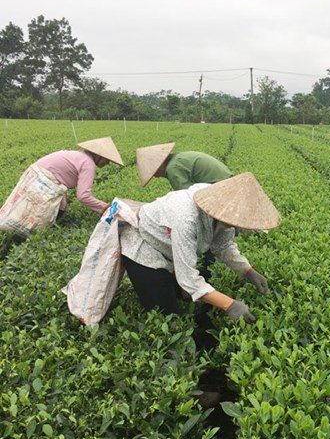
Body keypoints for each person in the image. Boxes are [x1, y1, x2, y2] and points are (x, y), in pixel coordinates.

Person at [118, 172, 280, 321]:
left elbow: (222, 245)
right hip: (145, 249)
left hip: (170, 249)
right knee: (166, 314)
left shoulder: (223, 211)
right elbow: (188, 279)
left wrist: (247, 270)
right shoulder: (185, 218)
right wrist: (230, 305)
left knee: (184, 298)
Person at [0, 137, 124, 242]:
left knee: (57, 208)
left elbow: (61, 181)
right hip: (44, 180)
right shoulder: (88, 164)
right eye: (107, 160)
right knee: (35, 220)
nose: (107, 164)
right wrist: (104, 207)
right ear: (99, 156)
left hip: (37, 175)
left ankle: (16, 237)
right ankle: (17, 240)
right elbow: (83, 196)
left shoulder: (79, 156)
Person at [136, 143, 233, 190]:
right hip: (228, 180)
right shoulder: (178, 158)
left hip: (221, 186)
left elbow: (186, 198)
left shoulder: (173, 169)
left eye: (153, 172)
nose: (155, 176)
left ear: (159, 164)